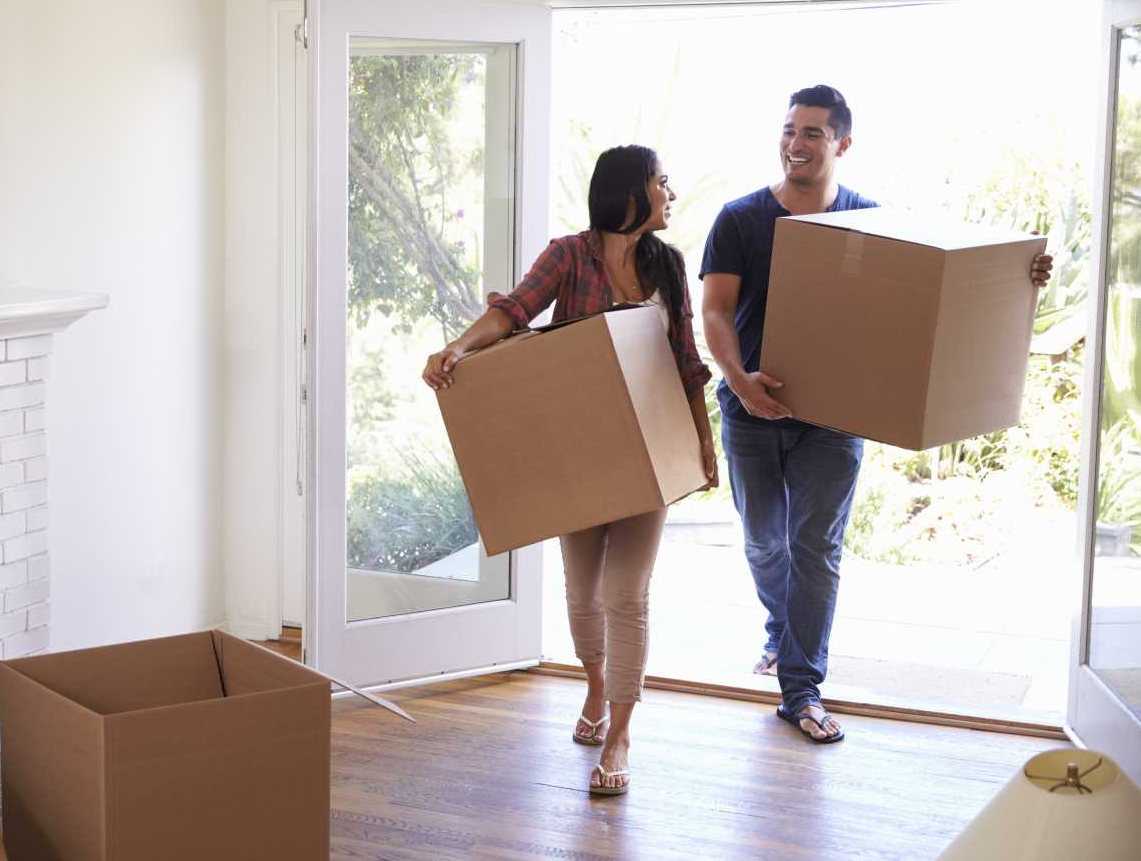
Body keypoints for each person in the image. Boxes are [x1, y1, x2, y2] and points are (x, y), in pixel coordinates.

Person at [698, 85, 1054, 745]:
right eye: (788, 130)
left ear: (842, 144)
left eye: (811, 133)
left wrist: (1022, 274)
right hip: (751, 410)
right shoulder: (740, 219)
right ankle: (781, 630)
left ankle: (801, 688)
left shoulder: (872, 221)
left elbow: (939, 287)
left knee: (817, 548)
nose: (795, 143)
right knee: (763, 542)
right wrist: (741, 381)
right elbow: (716, 311)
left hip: (835, 419)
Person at [422, 145, 716, 795]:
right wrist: (456, 347)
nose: (671, 192)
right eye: (661, 182)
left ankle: (620, 730)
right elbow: (513, 313)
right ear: (630, 193)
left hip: (645, 454)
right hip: (577, 456)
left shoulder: (666, 264)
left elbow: (687, 359)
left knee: (626, 594)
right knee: (583, 597)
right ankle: (593, 684)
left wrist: (703, 443)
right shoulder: (569, 255)